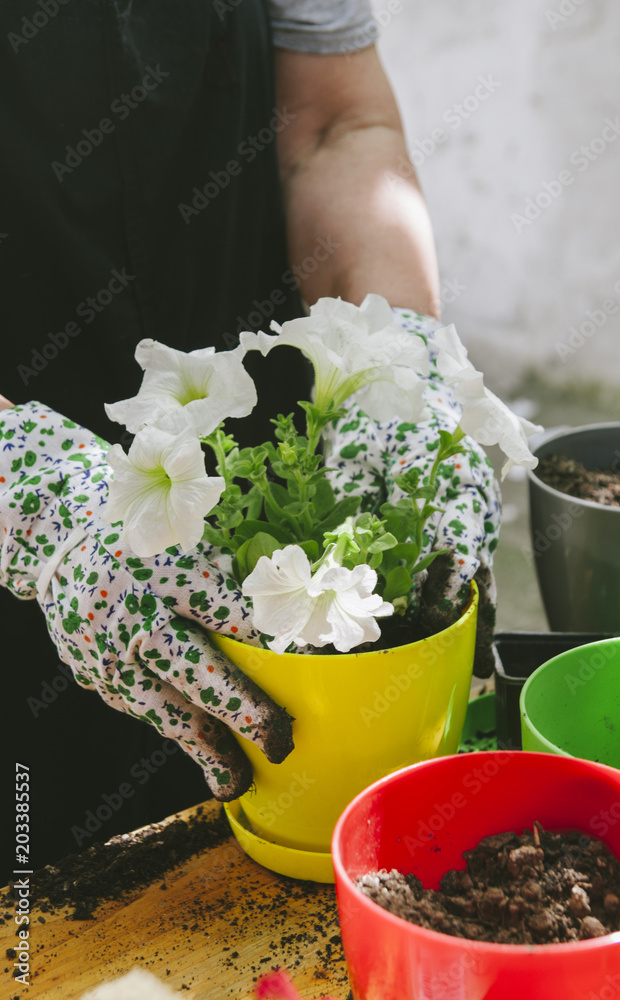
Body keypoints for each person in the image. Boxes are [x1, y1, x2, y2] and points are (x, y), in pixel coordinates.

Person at [0, 1, 477, 878]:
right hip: (26, 565)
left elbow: (335, 126)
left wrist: (394, 362)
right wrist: (33, 501)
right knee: (44, 915)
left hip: (240, 448)